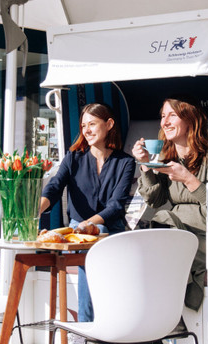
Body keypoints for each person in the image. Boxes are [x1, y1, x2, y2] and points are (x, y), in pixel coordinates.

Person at [132, 95, 208, 312]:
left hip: (206, 236)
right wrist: (146, 165)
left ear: (191, 119)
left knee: (160, 240)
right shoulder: (168, 157)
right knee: (144, 242)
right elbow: (154, 200)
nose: (165, 122)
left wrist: (189, 179)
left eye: (172, 115)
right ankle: (155, 316)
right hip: (174, 230)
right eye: (162, 116)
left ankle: (167, 318)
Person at [40, 103, 135, 323]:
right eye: (84, 125)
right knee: (91, 241)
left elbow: (115, 206)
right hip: (78, 233)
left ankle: (86, 324)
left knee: (96, 232)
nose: (87, 130)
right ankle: (90, 324)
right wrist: (35, 210)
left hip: (110, 230)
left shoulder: (125, 162)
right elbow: (54, 187)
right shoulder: (74, 157)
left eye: (92, 124)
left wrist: (87, 224)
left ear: (109, 124)